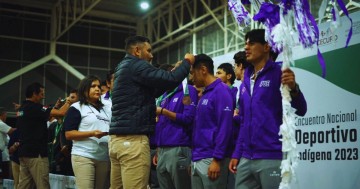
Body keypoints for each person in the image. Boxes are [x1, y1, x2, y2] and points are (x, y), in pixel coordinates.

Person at [109, 35, 195, 189]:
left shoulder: (123, 66)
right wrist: (187, 61)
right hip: (133, 141)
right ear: (137, 50)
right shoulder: (137, 65)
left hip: (117, 142)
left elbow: (155, 89)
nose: (151, 54)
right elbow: (170, 79)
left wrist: (174, 72)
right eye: (148, 50)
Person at [229, 29, 307, 189]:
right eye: (245, 43)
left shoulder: (279, 74)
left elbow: (301, 109)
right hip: (246, 158)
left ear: (266, 47)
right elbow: (243, 121)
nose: (246, 47)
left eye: (251, 43)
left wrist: (294, 88)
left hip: (271, 155)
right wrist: (237, 154)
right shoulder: (245, 80)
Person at [16, 82, 75, 189]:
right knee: (43, 185)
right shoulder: (36, 107)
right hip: (36, 154)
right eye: (41, 94)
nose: (43, 96)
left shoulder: (22, 109)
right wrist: (68, 102)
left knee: (24, 185)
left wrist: (55, 107)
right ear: (34, 93)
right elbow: (61, 113)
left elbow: (44, 116)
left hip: (24, 153)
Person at [190, 54, 234, 189]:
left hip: (212, 159)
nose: (191, 78)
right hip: (198, 158)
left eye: (192, 73)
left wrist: (217, 159)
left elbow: (225, 127)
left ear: (203, 70)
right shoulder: (204, 94)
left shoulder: (221, 91)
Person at [152, 64, 198, 189]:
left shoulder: (187, 91)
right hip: (161, 150)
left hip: (178, 148)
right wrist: (158, 149)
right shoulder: (163, 95)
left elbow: (189, 118)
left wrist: (163, 112)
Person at [64, 75, 111, 189]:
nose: (97, 89)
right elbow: (69, 134)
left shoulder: (106, 108)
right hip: (84, 155)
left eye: (99, 86)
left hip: (104, 157)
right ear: (85, 90)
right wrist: (92, 133)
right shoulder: (76, 107)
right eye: (93, 86)